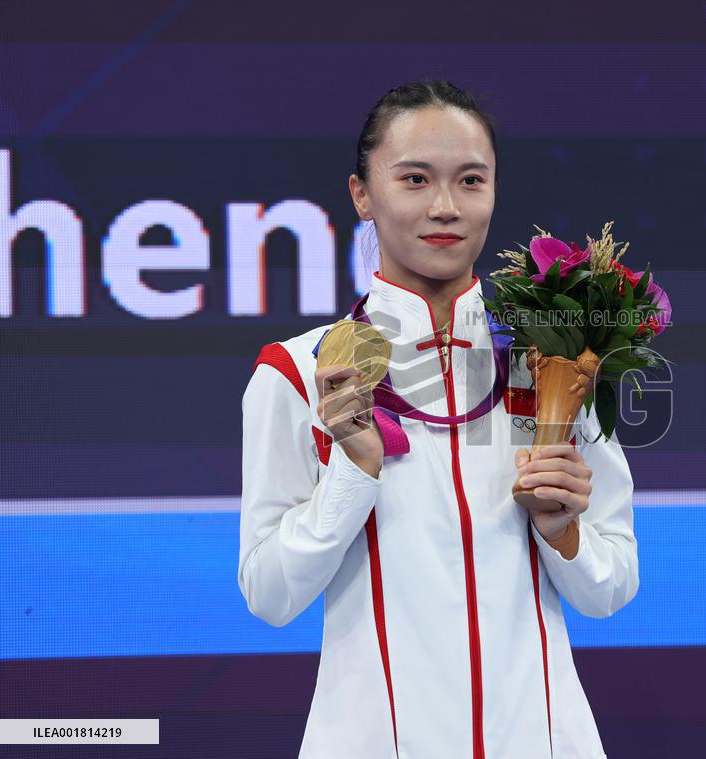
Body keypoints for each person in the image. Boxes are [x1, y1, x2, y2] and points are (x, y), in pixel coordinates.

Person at [238, 80, 638, 759]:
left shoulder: (558, 359)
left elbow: (612, 586)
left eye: (471, 180)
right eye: (415, 179)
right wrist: (351, 472)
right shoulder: (299, 371)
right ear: (362, 194)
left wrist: (562, 531)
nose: (445, 207)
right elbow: (270, 595)